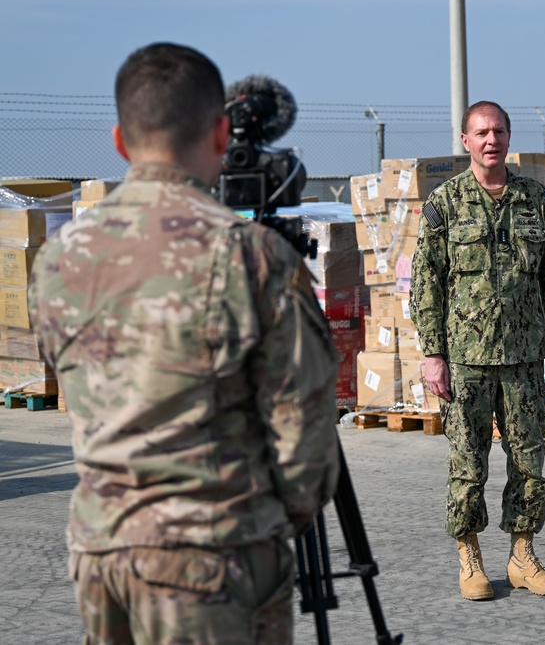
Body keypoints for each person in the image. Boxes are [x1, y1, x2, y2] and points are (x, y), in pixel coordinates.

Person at [28, 43, 341, 644]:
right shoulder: (250, 255)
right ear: (222, 133)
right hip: (212, 559)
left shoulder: (61, 256)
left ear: (119, 141)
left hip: (100, 551)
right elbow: (306, 428)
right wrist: (267, 525)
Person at [409, 100, 545, 601]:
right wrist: (432, 353)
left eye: (498, 131)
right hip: (466, 360)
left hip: (524, 359)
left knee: (529, 461)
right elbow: (426, 283)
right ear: (465, 141)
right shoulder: (445, 204)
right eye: (480, 132)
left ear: (508, 137)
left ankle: (523, 556)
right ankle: (470, 558)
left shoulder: (539, 203)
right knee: (467, 463)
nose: (490, 140)